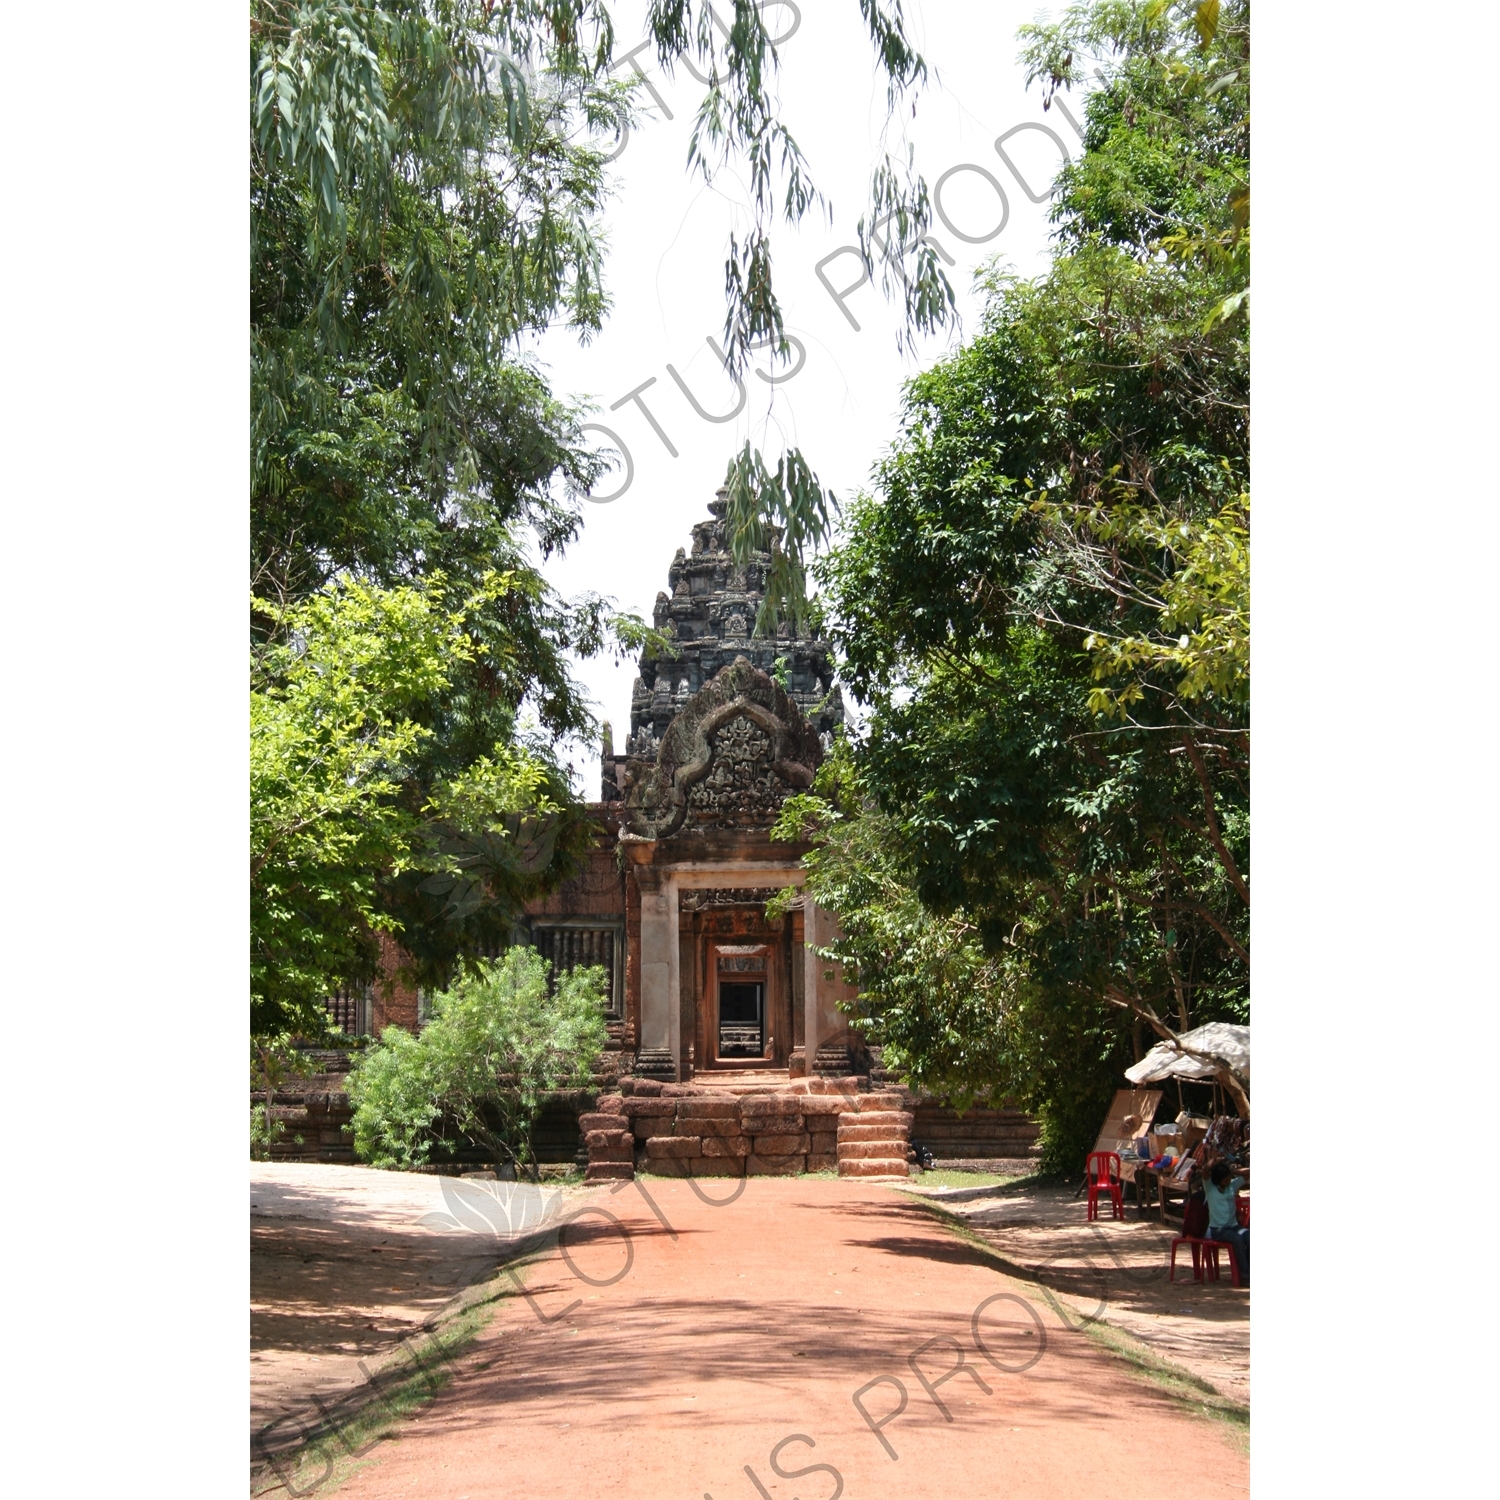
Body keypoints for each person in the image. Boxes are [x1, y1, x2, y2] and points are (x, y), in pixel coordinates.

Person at [1204, 1160, 1249, 1286]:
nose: (1228, 1182)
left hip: (1234, 1227)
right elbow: (1206, 1171)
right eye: (1225, 1180)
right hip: (1219, 1230)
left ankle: (1248, 1269)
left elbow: (1248, 1173)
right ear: (1218, 1180)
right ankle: (1245, 1276)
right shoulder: (1210, 1189)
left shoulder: (1232, 1186)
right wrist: (1213, 1159)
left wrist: (1232, 1171)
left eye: (1229, 1179)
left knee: (1249, 1237)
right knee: (1238, 1240)